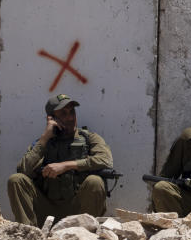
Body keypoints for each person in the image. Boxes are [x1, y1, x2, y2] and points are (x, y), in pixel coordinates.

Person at [7, 93, 113, 226]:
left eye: (72, 112)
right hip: (46, 210)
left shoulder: (89, 138)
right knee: (16, 180)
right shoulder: (44, 143)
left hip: (78, 211)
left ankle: (86, 236)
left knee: (95, 182)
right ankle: (29, 235)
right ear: (51, 118)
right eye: (63, 113)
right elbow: (23, 169)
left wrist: (66, 165)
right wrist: (45, 138)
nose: (70, 118)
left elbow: (105, 160)